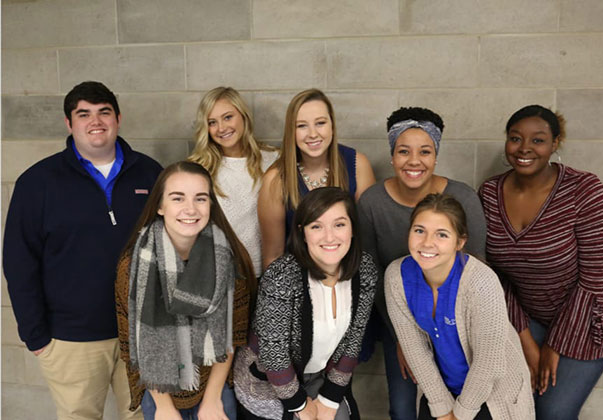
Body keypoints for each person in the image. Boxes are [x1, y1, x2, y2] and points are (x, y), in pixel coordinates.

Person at [2, 81, 162, 420]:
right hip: (70, 339)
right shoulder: (38, 182)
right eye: (84, 114)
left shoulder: (151, 173)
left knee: (144, 417)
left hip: (141, 333)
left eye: (104, 112)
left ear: (118, 117)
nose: (96, 121)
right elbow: (19, 262)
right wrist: (37, 336)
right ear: (69, 123)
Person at [478, 105, 603, 420]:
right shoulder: (489, 193)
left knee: (554, 410)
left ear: (555, 143)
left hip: (592, 311)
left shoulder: (584, 190)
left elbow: (595, 279)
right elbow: (491, 276)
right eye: (516, 138)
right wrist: (526, 342)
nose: (525, 149)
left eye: (538, 140)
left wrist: (553, 347)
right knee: (507, 401)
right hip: (529, 312)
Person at [357, 107, 486, 420]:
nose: (414, 161)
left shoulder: (462, 198)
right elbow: (370, 274)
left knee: (450, 405)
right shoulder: (373, 202)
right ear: (392, 156)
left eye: (425, 151)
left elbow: (478, 267)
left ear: (436, 155)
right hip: (398, 317)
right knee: (402, 409)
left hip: (455, 321)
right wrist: (403, 337)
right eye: (404, 151)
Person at [116, 161, 257, 420]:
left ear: (211, 205)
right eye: (177, 198)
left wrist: (213, 399)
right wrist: (164, 407)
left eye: (200, 198)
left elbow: (232, 336)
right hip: (159, 391)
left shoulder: (228, 259)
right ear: (160, 205)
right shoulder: (133, 265)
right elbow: (131, 342)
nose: (190, 209)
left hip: (215, 388)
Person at [385, 193, 533, 420]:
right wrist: (442, 409)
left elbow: (489, 363)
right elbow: (415, 350)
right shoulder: (396, 276)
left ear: (459, 242)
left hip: (491, 392)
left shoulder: (481, 283)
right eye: (419, 230)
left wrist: (460, 415)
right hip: (441, 388)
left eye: (441, 234)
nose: (427, 242)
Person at [234, 187, 378, 420]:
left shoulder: (365, 270)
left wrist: (331, 396)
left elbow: (354, 338)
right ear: (302, 233)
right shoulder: (281, 276)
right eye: (316, 226)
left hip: (321, 376)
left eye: (339, 225)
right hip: (269, 383)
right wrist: (300, 405)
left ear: (352, 229)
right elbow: (273, 354)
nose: (329, 237)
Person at [258, 88, 375, 269]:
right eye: (301, 126)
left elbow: (366, 242)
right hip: (296, 281)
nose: (313, 134)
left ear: (332, 126)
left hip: (346, 275)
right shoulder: (276, 179)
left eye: (320, 123)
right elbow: (273, 255)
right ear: (291, 131)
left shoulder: (358, 164)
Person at [189, 87, 278, 278]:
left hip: (267, 272)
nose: (221, 128)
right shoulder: (198, 169)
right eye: (212, 122)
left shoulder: (273, 160)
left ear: (243, 116)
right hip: (219, 275)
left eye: (228, 117)